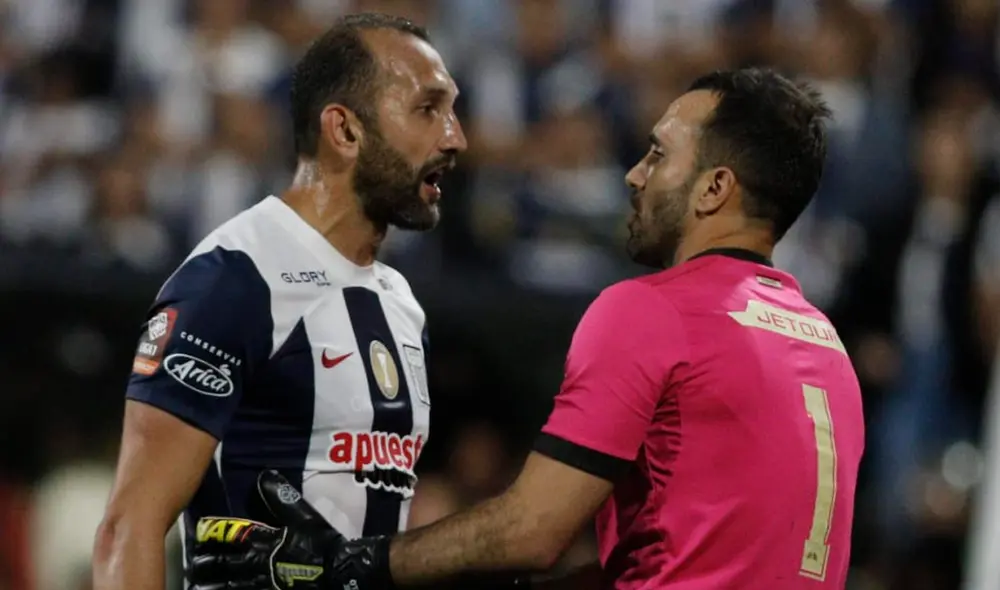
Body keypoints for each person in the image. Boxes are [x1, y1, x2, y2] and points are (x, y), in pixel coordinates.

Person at [188, 67, 866, 590]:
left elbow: (532, 529)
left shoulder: (654, 311)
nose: (635, 174)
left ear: (714, 189)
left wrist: (350, 564)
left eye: (659, 155)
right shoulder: (828, 349)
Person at [91, 12, 467, 590]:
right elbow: (129, 529)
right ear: (344, 131)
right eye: (428, 109)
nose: (455, 137)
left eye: (453, 110)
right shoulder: (234, 279)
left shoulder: (401, 304)